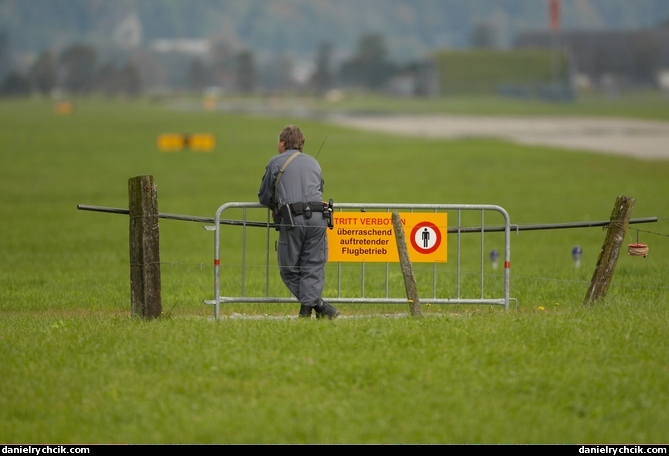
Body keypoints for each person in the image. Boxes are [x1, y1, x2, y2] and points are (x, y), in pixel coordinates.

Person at [257, 125, 339, 319]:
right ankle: (308, 311)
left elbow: (264, 195)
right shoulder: (314, 163)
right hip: (319, 217)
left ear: (283, 143)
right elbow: (319, 188)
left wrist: (274, 206)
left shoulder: (275, 162)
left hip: (293, 220)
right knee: (313, 266)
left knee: (288, 269)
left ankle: (320, 306)